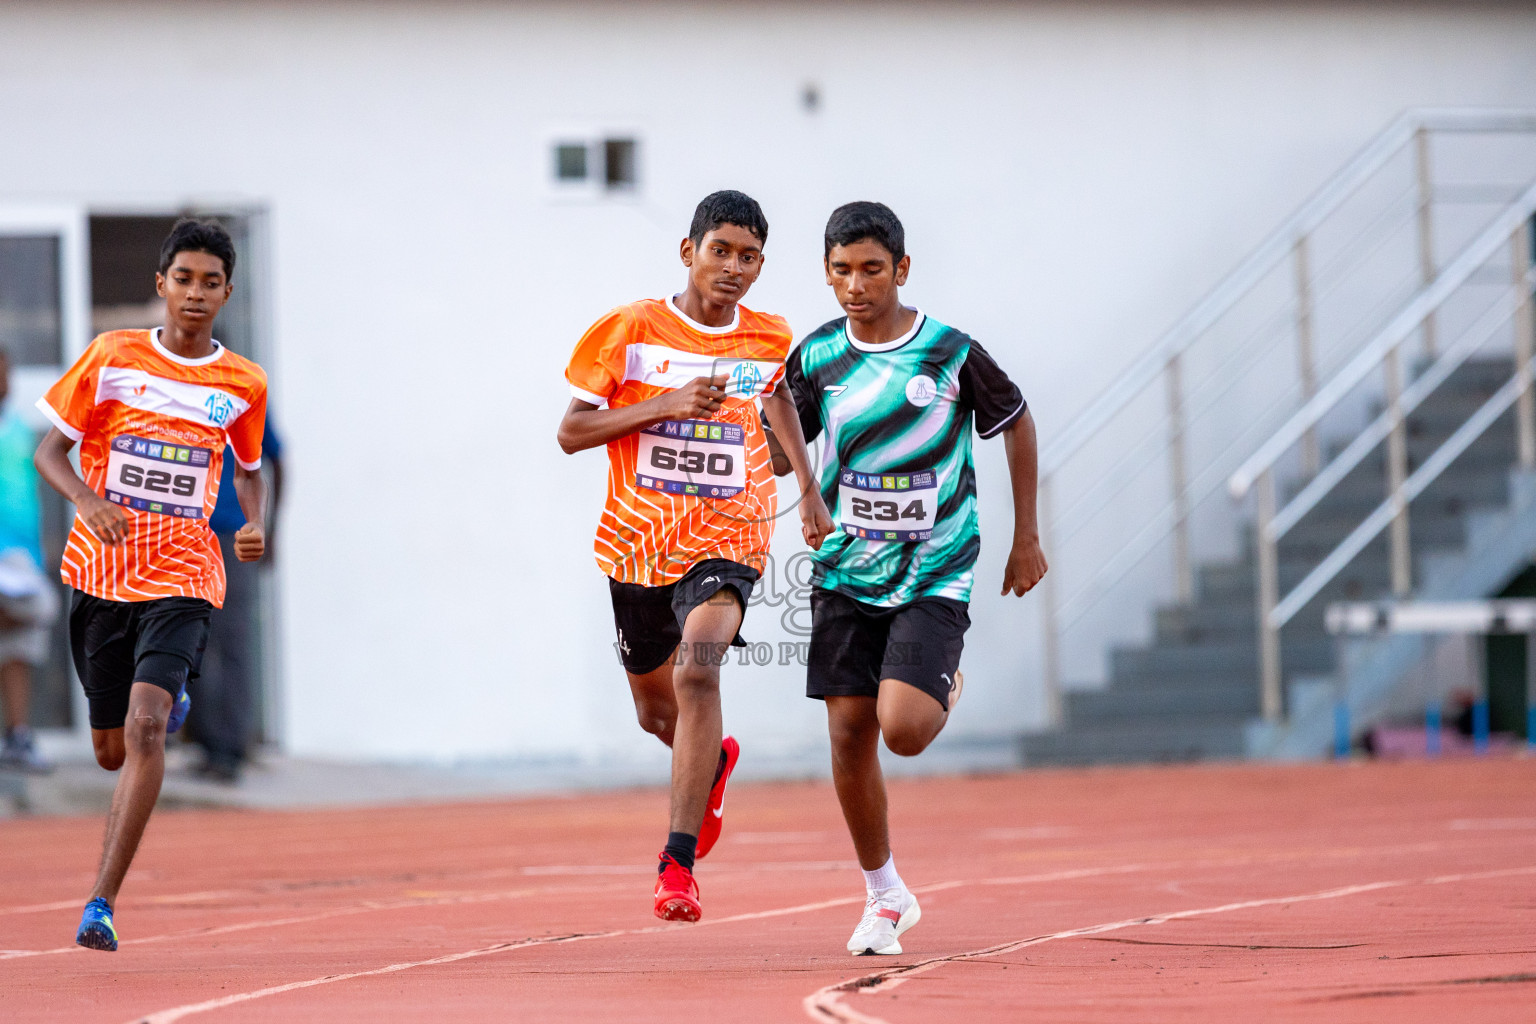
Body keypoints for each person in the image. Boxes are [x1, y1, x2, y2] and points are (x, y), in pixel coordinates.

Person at [777, 201, 1047, 955]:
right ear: (825, 275)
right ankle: (884, 895)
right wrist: (760, 434)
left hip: (934, 566)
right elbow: (779, 446)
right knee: (847, 729)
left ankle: (943, 683)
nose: (855, 286)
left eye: (869, 269)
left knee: (904, 729)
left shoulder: (950, 353)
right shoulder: (817, 357)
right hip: (844, 569)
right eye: (839, 271)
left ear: (901, 268)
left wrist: (1025, 535)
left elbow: (1017, 421)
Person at [557, 190, 833, 922]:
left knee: (697, 668)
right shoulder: (630, 329)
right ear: (689, 252)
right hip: (638, 543)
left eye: (749, 257)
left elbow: (777, 402)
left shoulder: (771, 336)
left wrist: (807, 488)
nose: (734, 268)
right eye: (721, 252)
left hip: (728, 535)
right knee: (656, 713)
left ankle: (675, 866)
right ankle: (711, 764)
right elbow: (571, 431)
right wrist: (662, 405)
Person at [33, 218, 268, 951]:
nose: (195, 295)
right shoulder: (112, 357)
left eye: (211, 283)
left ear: (227, 293)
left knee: (144, 726)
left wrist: (252, 523)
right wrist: (87, 499)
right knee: (110, 747)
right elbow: (50, 449)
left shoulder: (242, 381)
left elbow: (250, 467)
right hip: (102, 574)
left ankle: (100, 903)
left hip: (186, 574)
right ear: (160, 283)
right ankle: (165, 702)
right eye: (184, 279)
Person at [188, 418, 284, 783]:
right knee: (188, 641)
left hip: (231, 536)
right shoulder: (179, 384)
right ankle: (207, 742)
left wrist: (269, 528)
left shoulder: (243, 388)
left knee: (231, 645)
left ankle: (230, 748)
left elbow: (278, 458)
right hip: (183, 536)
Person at [0, 347, 59, 773]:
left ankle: (18, 737)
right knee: (37, 614)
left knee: (19, 644)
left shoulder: (19, 430)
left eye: (7, 372)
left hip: (21, 561)